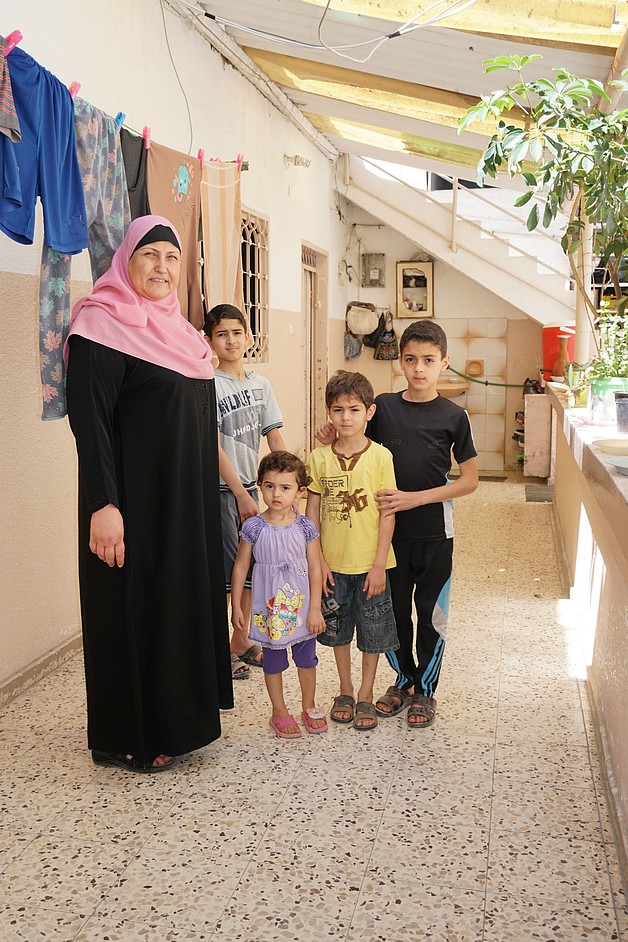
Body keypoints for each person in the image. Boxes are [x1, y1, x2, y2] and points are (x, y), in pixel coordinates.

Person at [65, 215, 233, 773]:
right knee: (132, 608)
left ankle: (177, 723)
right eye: (149, 255)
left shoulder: (183, 336)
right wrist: (102, 505)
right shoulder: (99, 325)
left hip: (183, 504)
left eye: (170, 258)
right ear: (126, 261)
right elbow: (90, 426)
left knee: (176, 605)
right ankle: (129, 735)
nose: (161, 268)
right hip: (130, 504)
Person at [367, 320, 478, 728]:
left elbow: (469, 481)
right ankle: (402, 681)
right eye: (411, 359)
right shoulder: (383, 406)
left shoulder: (454, 416)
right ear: (400, 361)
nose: (419, 369)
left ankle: (426, 691)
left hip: (435, 534)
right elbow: (356, 445)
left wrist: (417, 497)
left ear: (444, 363)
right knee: (393, 613)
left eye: (428, 361)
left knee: (430, 614)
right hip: (388, 535)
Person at [306, 371, 399, 731]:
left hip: (371, 566)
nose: (346, 417)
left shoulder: (381, 458)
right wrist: (319, 560)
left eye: (354, 410)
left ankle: (364, 693)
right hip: (332, 566)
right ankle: (344, 689)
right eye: (338, 410)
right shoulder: (318, 459)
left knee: (373, 633)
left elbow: (387, 515)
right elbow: (310, 516)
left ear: (369, 412)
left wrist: (379, 564)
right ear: (328, 413)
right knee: (339, 631)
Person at [203, 303, 285, 680]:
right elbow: (212, 445)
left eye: (237, 332)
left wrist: (287, 483)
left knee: (250, 571)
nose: (231, 340)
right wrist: (238, 492)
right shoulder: (208, 384)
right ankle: (217, 652)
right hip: (224, 492)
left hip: (252, 490)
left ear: (248, 337)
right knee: (224, 575)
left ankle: (240, 640)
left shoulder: (260, 385)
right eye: (222, 334)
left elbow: (274, 437)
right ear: (210, 341)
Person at [231, 451, 327, 738]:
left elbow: (314, 568)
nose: (276, 494)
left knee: (307, 658)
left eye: (285, 488)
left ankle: (308, 704)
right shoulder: (254, 527)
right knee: (273, 661)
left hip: (302, 608)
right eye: (270, 486)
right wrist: (236, 605)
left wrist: (315, 609)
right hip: (269, 610)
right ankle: (279, 711)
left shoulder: (305, 527)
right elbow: (240, 567)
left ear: (300, 491)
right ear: (260, 485)